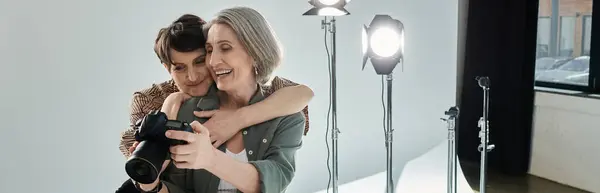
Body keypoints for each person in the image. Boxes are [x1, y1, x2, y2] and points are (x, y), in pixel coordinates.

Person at [134, 7, 306, 193]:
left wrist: (212, 157)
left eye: (225, 48)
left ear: (256, 52)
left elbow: (277, 180)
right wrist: (150, 183)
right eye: (209, 50)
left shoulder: (285, 113)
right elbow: (175, 186)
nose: (213, 62)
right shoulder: (179, 109)